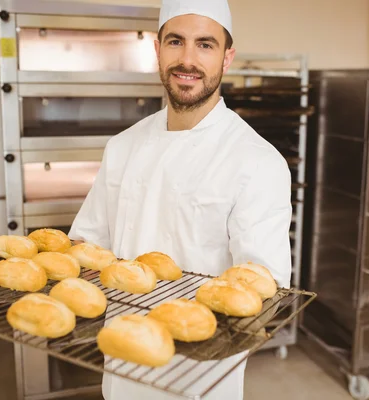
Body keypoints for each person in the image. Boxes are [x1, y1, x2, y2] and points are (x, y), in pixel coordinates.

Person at [68, 0, 293, 398]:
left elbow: (264, 285)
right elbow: (87, 245)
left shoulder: (257, 162)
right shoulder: (123, 146)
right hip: (121, 365)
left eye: (205, 45)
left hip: (201, 377)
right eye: (176, 41)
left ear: (227, 58)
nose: (187, 59)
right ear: (157, 50)